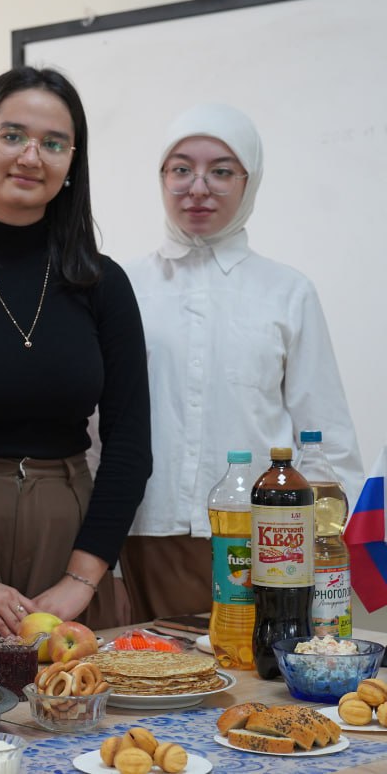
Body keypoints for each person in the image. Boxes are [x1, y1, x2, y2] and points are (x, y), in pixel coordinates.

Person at [0, 66, 152, 653]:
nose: (31, 156)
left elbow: (130, 445)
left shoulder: (103, 283)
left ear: (72, 163)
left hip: (69, 534)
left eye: (54, 143)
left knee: (72, 698)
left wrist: (81, 579)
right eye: (12, 135)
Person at [121, 103, 362, 622]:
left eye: (222, 171)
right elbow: (99, 424)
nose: (198, 187)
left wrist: (335, 544)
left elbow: (326, 434)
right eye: (181, 169)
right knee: (148, 666)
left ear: (249, 181)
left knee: (258, 667)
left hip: (266, 535)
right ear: (162, 177)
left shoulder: (287, 292)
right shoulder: (123, 285)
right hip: (143, 530)